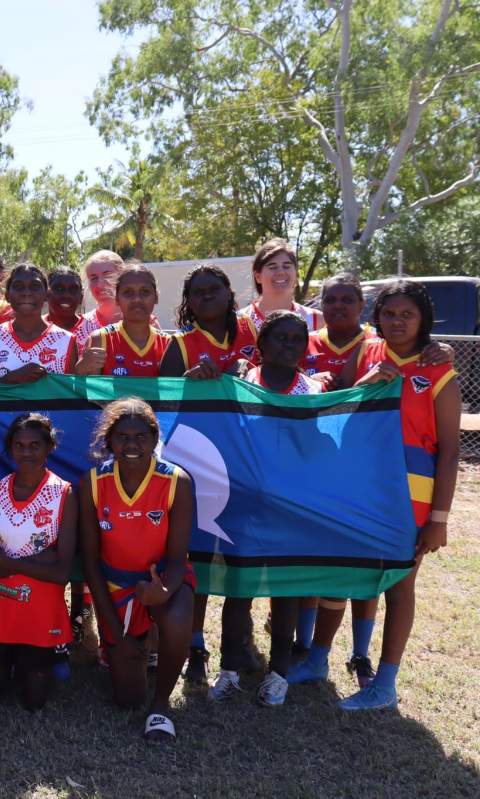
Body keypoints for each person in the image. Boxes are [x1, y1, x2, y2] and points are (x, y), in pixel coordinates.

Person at [333, 281, 459, 710]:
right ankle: (333, 658)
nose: (397, 322)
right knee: (359, 574)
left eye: (407, 314)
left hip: (411, 497)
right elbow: (339, 412)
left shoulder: (438, 368)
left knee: (400, 585)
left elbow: (449, 451)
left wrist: (439, 519)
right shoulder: (366, 353)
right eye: (389, 314)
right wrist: (366, 383)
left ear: (423, 319)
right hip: (362, 489)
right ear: (377, 317)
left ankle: (385, 685)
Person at [208, 311, 320, 708]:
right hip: (246, 506)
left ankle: (279, 673)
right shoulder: (241, 383)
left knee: (285, 590)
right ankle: (229, 669)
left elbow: (313, 449)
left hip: (290, 507)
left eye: (297, 339)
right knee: (239, 588)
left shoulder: (311, 390)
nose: (289, 345)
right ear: (261, 345)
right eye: (280, 338)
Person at [80, 398, 195, 740]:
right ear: (109, 441)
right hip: (116, 586)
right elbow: (90, 563)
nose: (132, 445)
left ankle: (160, 707)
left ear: (155, 438)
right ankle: (137, 645)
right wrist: (117, 632)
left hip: (162, 580)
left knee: (177, 618)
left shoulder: (177, 481)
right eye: (123, 437)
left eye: (141, 437)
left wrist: (163, 590)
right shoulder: (93, 482)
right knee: (127, 698)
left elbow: (178, 559)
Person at [157, 264, 250, 684]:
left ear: (230, 292)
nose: (206, 296)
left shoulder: (252, 333)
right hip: (200, 464)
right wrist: (189, 383)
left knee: (242, 558)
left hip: (249, 463)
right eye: (197, 292)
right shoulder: (180, 345)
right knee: (198, 555)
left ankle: (238, 644)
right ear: (188, 303)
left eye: (214, 288)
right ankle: (195, 645)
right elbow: (163, 406)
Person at [0, 413, 77, 710]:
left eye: (35, 445)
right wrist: (40, 561)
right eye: (19, 445)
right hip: (0, 609)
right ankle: (11, 661)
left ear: (49, 447)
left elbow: (61, 573)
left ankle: (41, 658)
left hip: (41, 612)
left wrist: (6, 562)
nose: (27, 452)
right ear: (10, 448)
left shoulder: (64, 494)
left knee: (34, 703)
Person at [0, 263, 78, 383]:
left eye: (35, 286)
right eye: (18, 286)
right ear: (7, 295)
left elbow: (72, 393)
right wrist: (11, 379)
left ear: (47, 295)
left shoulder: (66, 340)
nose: (26, 293)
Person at [236, 238, 323, 362]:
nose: (281, 272)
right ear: (258, 276)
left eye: (286, 266)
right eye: (272, 267)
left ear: (296, 274)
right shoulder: (240, 321)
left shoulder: (317, 320)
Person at [77, 265, 170, 377]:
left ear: (156, 297)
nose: (137, 299)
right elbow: (89, 387)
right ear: (117, 299)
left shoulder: (168, 344)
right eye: (128, 292)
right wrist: (81, 369)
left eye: (145, 291)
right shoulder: (100, 340)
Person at [45, 267, 86, 337]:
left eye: (73, 289)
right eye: (59, 289)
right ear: (46, 294)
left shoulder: (93, 330)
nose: (66, 295)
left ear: (81, 297)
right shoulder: (32, 329)